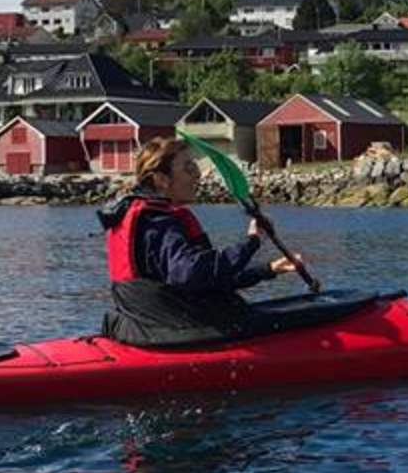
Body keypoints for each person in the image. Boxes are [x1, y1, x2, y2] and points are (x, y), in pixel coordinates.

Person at [98, 136, 302, 345]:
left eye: (194, 166)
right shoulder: (158, 223)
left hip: (140, 327)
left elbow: (207, 281)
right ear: (161, 179)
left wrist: (267, 269)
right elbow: (191, 275)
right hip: (172, 333)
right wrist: (251, 243)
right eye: (188, 168)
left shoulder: (142, 216)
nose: (198, 175)